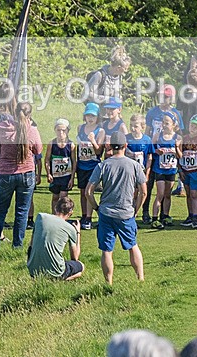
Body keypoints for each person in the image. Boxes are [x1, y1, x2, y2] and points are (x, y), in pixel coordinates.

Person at [85, 131, 147, 284]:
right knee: (133, 245)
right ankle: (140, 279)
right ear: (126, 146)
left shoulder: (102, 165)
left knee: (107, 250)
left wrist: (96, 207)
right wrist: (136, 210)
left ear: (110, 147)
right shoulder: (135, 166)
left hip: (106, 213)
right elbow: (144, 192)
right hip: (126, 213)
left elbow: (88, 191)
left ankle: (109, 283)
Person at [0, 102, 42, 257]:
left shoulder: (2, 127)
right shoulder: (32, 130)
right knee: (22, 213)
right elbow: (38, 150)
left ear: (13, 112)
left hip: (4, 174)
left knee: (0, 212)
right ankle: (17, 247)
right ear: (29, 114)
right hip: (26, 174)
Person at [27, 197, 84, 280]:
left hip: (32, 270)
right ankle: (58, 280)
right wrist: (78, 233)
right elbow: (75, 258)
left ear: (55, 207)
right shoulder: (70, 228)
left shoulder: (40, 217)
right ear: (70, 212)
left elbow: (31, 244)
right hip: (56, 271)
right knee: (81, 266)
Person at [149, 114, 182, 229]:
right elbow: (151, 149)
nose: (164, 125)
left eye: (167, 123)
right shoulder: (157, 136)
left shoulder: (177, 138)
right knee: (160, 194)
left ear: (174, 125)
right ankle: (154, 218)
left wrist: (176, 149)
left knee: (168, 194)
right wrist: (157, 151)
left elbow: (180, 156)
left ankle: (166, 216)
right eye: (163, 122)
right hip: (160, 169)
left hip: (171, 170)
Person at [75, 102, 103, 230]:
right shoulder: (80, 128)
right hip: (82, 164)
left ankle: (89, 218)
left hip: (93, 165)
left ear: (97, 117)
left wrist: (92, 141)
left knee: (89, 191)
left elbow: (99, 152)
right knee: (82, 192)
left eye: (93, 116)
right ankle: (84, 215)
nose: (90, 118)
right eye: (88, 115)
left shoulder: (100, 131)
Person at [179, 114, 197, 229]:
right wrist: (180, 170)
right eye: (191, 125)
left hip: (195, 170)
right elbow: (180, 155)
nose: (193, 128)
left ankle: (195, 217)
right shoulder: (184, 139)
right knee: (188, 194)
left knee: (194, 194)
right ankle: (190, 216)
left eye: (196, 127)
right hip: (185, 170)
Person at [45, 118, 76, 213]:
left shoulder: (71, 145)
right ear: (55, 130)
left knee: (63, 198)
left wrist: (72, 178)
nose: (61, 132)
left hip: (66, 176)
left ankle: (62, 217)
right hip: (55, 176)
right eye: (58, 130)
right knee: (55, 197)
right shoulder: (51, 143)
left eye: (63, 130)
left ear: (68, 131)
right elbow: (47, 159)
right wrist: (48, 173)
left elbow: (74, 162)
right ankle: (54, 215)